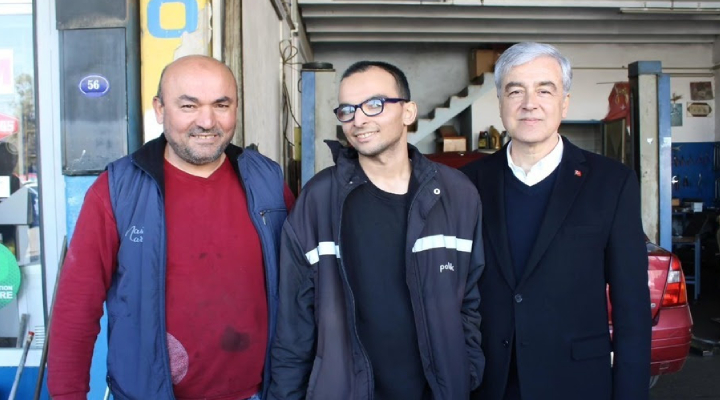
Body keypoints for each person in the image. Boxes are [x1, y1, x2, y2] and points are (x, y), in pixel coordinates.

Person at [48, 55, 294, 400]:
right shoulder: (117, 191)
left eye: (221, 105)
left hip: (258, 394)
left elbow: (304, 291)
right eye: (189, 106)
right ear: (160, 109)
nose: (207, 121)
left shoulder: (267, 181)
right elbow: (77, 306)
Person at [268, 61, 485, 400]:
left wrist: (466, 371)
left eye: (374, 104)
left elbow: (470, 299)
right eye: (347, 110)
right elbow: (294, 323)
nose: (358, 120)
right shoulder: (318, 200)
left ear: (408, 112)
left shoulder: (457, 194)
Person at [461, 42, 651, 400]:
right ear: (500, 102)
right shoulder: (468, 184)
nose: (529, 103)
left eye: (544, 90)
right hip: (489, 382)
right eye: (515, 91)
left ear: (564, 102)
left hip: (577, 381)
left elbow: (632, 305)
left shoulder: (611, 183)